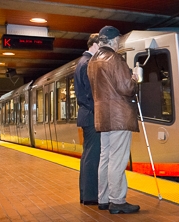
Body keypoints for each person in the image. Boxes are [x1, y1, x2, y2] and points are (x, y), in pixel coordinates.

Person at [87, 26, 140, 214]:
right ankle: (117, 200)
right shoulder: (114, 58)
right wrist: (135, 80)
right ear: (113, 40)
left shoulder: (92, 61)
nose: (119, 43)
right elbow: (126, 87)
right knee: (117, 159)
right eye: (118, 40)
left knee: (105, 158)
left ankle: (103, 198)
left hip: (103, 116)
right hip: (119, 116)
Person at [73, 33, 101, 206]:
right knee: (92, 156)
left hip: (86, 115)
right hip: (91, 116)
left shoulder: (82, 62)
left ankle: (86, 194)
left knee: (87, 156)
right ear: (95, 45)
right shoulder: (87, 63)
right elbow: (89, 94)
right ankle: (91, 196)